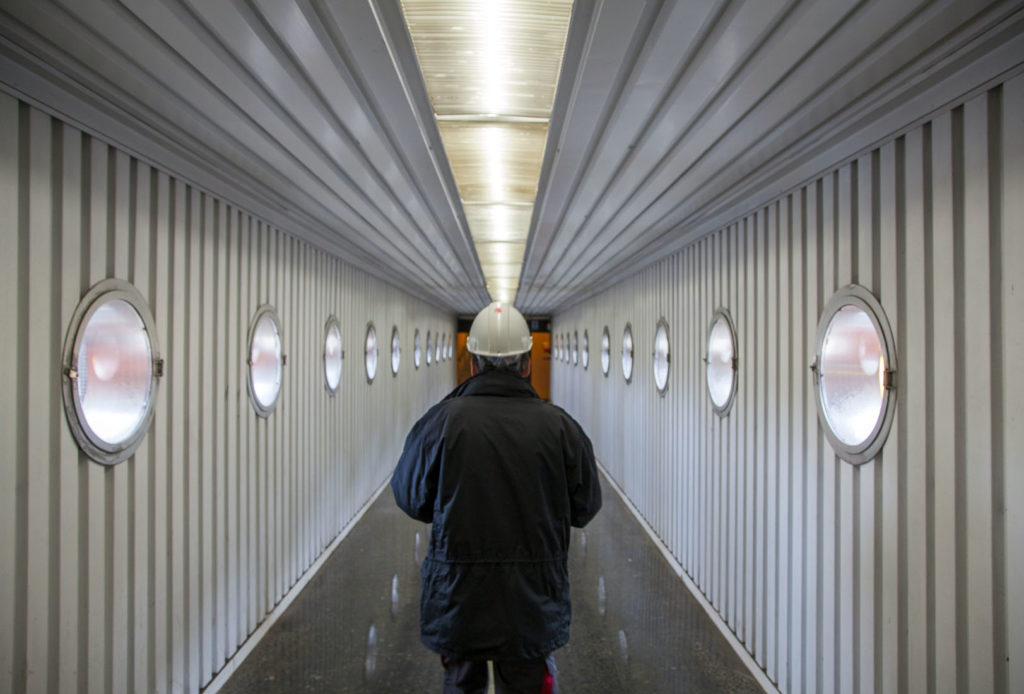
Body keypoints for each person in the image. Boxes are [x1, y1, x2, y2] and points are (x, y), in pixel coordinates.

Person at [391, 301, 602, 694]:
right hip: (532, 603)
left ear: (472, 364)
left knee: (461, 685)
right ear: (527, 365)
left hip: (457, 598)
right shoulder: (561, 428)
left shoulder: (441, 422)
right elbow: (586, 507)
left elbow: (410, 498)